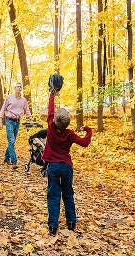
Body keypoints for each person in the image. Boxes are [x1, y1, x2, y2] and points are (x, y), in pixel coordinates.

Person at [42, 74, 93, 235]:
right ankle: (71, 222)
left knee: (53, 195)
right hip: (66, 167)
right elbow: (85, 143)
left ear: (54, 120)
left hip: (53, 168)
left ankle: (53, 225)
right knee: (68, 194)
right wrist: (88, 130)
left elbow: (50, 109)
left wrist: (52, 93)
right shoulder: (70, 134)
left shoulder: (50, 127)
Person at [0, 82, 33, 170]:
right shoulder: (9, 97)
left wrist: (30, 119)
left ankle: (6, 158)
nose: (19, 88)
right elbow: (3, 108)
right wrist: (0, 120)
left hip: (17, 122)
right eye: (17, 87)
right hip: (9, 121)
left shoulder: (23, 100)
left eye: (20, 87)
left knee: (11, 142)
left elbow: (27, 109)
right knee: (12, 141)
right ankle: (14, 161)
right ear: (14, 88)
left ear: (21, 89)